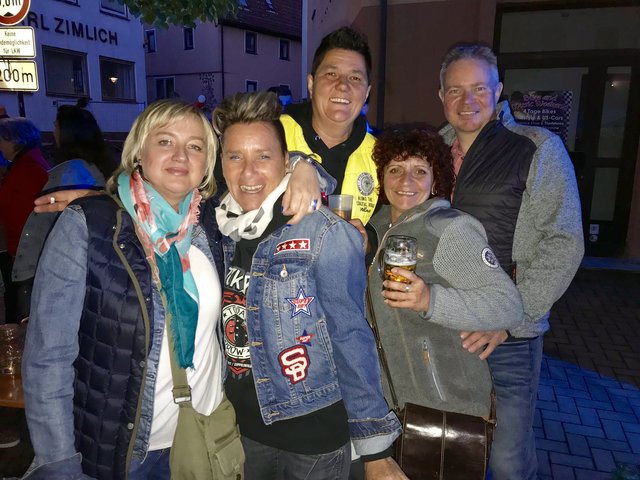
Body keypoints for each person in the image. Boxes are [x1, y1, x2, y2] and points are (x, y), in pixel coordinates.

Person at [22, 99, 233, 479]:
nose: (181, 155)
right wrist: (59, 462)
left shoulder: (214, 224)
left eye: (195, 146)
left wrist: (303, 169)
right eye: (165, 141)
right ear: (138, 151)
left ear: (207, 164)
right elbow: (48, 358)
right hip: (124, 454)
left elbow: (267, 170)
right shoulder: (87, 226)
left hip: (203, 434)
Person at [213, 91, 405, 480]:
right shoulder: (218, 228)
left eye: (263, 156)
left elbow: (351, 335)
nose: (248, 173)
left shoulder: (324, 232)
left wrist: (375, 451)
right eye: (235, 157)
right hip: (241, 430)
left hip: (311, 439)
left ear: (286, 161)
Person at [437, 44, 584, 479]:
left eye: (479, 88)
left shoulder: (537, 148)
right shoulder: (429, 153)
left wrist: (509, 320)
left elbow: (564, 242)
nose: (467, 101)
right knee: (446, 449)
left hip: (508, 336)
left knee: (507, 461)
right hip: (443, 326)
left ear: (498, 90)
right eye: (455, 90)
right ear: (441, 96)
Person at [366, 126, 523, 476]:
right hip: (391, 408)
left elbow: (507, 304)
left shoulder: (449, 228)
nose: (406, 181)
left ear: (436, 179)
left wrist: (430, 300)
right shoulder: (373, 229)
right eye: (395, 169)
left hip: (446, 409)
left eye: (419, 170)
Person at [12, 105, 118, 319]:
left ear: (68, 132)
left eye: (56, 125)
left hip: (52, 268)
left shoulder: (72, 172)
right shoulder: (95, 165)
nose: (53, 130)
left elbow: (63, 225)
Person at [280, 26, 377, 227]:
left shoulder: (380, 158)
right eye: (331, 74)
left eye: (355, 78)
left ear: (367, 93)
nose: (343, 85)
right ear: (311, 83)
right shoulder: (274, 133)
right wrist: (296, 164)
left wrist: (369, 240)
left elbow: (385, 224)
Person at [0, 117, 49, 323]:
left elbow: (25, 215)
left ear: (15, 140)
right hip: (23, 250)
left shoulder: (27, 169)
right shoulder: (24, 165)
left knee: (23, 311)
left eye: (1, 139)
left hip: (24, 253)